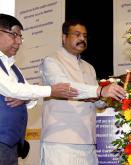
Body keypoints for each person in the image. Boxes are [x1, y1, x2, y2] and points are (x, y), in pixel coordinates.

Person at [39, 19, 126, 165]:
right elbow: (66, 88)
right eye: (77, 34)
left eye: (85, 36)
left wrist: (110, 97)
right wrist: (100, 91)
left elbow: (97, 101)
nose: (82, 39)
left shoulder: (89, 67)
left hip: (88, 140)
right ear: (64, 37)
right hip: (60, 141)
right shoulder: (51, 61)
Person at [0, 13, 79, 165]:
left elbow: (30, 100)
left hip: (11, 145)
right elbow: (11, 89)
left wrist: (25, 96)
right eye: (14, 35)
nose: (19, 41)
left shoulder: (13, 67)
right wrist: (50, 90)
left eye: (20, 37)